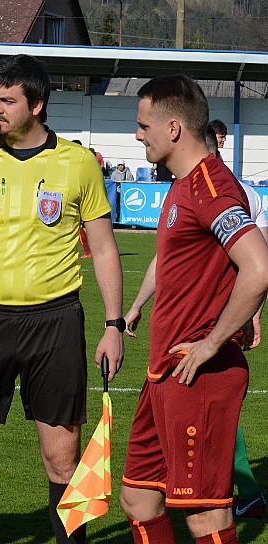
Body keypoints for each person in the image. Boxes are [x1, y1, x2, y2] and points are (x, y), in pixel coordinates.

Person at [0, 54, 124, 544]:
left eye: (7, 100)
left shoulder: (77, 163)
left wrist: (114, 325)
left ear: (37, 104)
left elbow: (102, 248)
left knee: (62, 460)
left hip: (54, 323)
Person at [119, 75, 268, 544]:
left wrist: (210, 344)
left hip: (196, 376)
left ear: (175, 128)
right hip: (163, 370)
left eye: (144, 125)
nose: (138, 134)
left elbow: (259, 269)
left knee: (205, 515)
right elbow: (170, 260)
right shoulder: (183, 186)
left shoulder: (211, 188)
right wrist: (136, 307)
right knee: (139, 498)